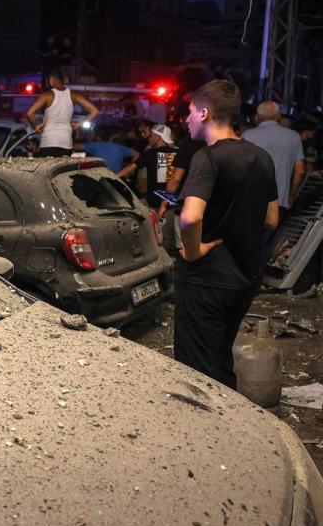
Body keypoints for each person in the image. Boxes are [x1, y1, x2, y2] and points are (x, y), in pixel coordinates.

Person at [173, 80, 278, 389]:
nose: (187, 118)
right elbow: (271, 219)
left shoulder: (207, 158)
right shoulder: (261, 157)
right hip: (244, 279)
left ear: (204, 113)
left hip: (206, 280)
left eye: (191, 111)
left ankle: (204, 434)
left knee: (196, 374)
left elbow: (190, 218)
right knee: (220, 361)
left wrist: (193, 252)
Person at [242, 101, 305, 211]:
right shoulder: (293, 136)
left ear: (257, 117)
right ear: (279, 116)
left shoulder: (247, 136)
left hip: (251, 199)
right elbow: (300, 171)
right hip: (279, 199)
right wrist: (291, 195)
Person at [24, 67, 99, 157]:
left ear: (51, 79)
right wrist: (79, 124)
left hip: (48, 141)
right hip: (66, 142)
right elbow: (95, 111)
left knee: (48, 169)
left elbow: (29, 113)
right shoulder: (74, 95)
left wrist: (36, 126)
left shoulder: (47, 95)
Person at [120, 124, 178, 210]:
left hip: (154, 202)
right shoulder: (177, 153)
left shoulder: (150, 153)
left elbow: (129, 169)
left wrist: (113, 177)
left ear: (158, 137)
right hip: (172, 201)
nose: (149, 138)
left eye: (151, 136)